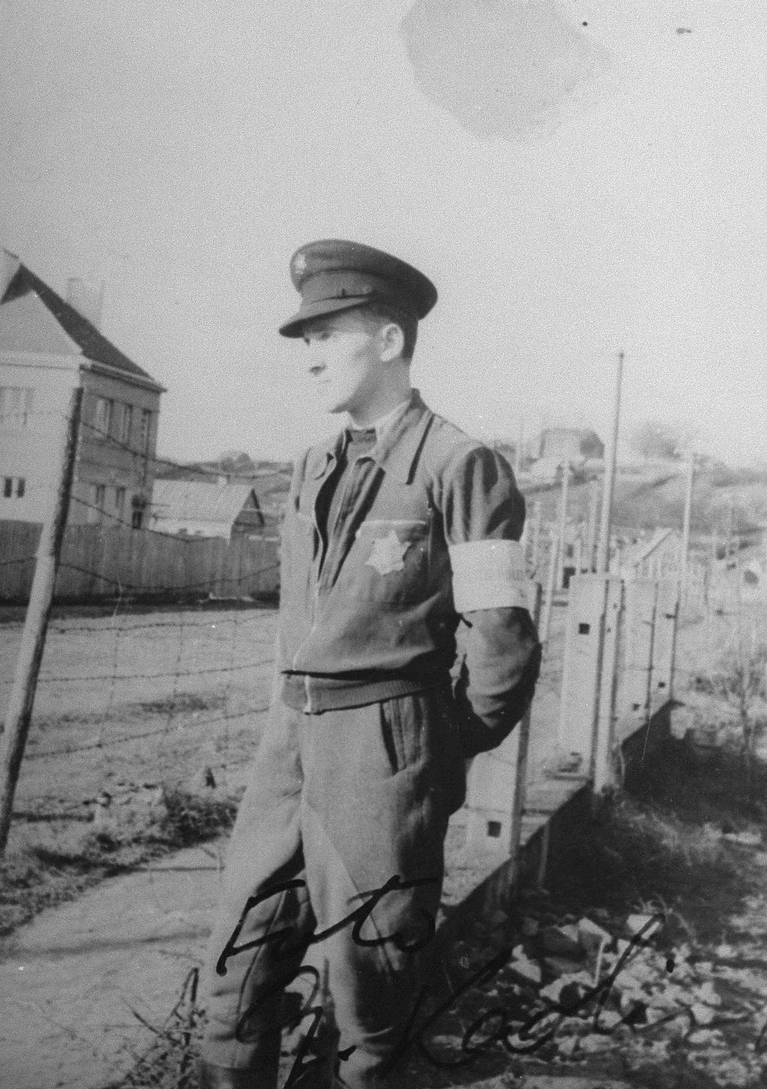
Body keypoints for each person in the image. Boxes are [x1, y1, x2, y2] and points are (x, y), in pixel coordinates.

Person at [199, 239, 541, 1088]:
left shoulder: (460, 465)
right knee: (231, 981)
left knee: (371, 1009)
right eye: (303, 339)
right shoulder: (312, 464)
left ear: (388, 341)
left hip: (383, 752)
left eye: (328, 334)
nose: (309, 356)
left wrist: (434, 750)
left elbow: (501, 635)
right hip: (291, 743)